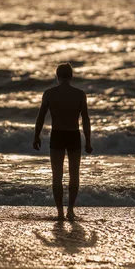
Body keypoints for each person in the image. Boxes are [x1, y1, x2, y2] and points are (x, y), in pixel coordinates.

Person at [33, 62, 93, 221]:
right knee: (74, 176)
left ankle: (60, 212)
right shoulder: (80, 94)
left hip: (57, 135)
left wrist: (36, 136)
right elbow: (85, 119)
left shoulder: (49, 93)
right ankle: (70, 210)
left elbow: (41, 117)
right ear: (71, 76)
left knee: (57, 176)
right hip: (73, 135)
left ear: (57, 76)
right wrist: (88, 141)